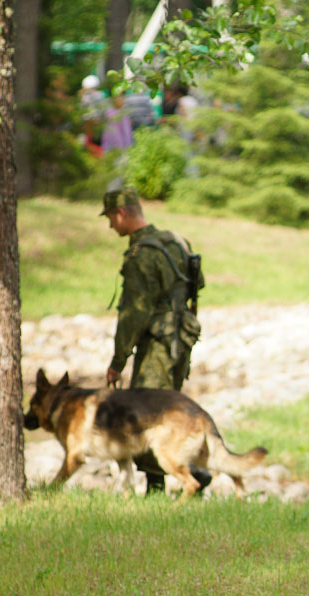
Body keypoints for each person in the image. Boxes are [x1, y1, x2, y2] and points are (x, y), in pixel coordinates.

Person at [101, 187, 210, 494]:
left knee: (149, 413)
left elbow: (134, 314)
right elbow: (196, 283)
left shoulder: (142, 255)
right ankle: (191, 474)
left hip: (158, 344)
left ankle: (160, 485)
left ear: (122, 213)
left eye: (111, 217)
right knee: (173, 409)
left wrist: (118, 361)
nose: (110, 225)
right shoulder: (176, 241)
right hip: (181, 337)